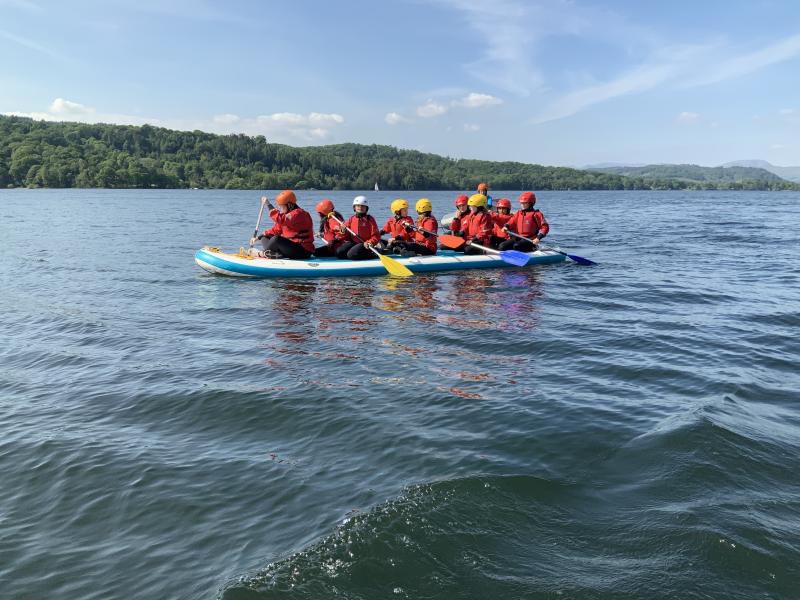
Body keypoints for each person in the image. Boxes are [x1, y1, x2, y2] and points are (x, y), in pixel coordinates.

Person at [251, 190, 314, 259]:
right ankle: (274, 254)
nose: (280, 208)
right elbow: (275, 230)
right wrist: (258, 237)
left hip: (303, 251)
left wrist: (268, 204)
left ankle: (262, 254)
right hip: (290, 249)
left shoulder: (299, 214)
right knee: (265, 237)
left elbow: (281, 219)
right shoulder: (286, 216)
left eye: (281, 206)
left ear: (289, 205)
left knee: (276, 239)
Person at [335, 195, 381, 260]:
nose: (360, 207)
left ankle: (373, 253)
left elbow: (376, 236)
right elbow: (345, 237)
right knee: (339, 253)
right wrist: (343, 231)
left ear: (366, 208)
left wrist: (370, 242)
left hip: (365, 244)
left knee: (351, 255)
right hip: (354, 243)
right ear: (354, 207)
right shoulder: (351, 219)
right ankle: (355, 253)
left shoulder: (370, 219)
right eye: (358, 206)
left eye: (363, 206)